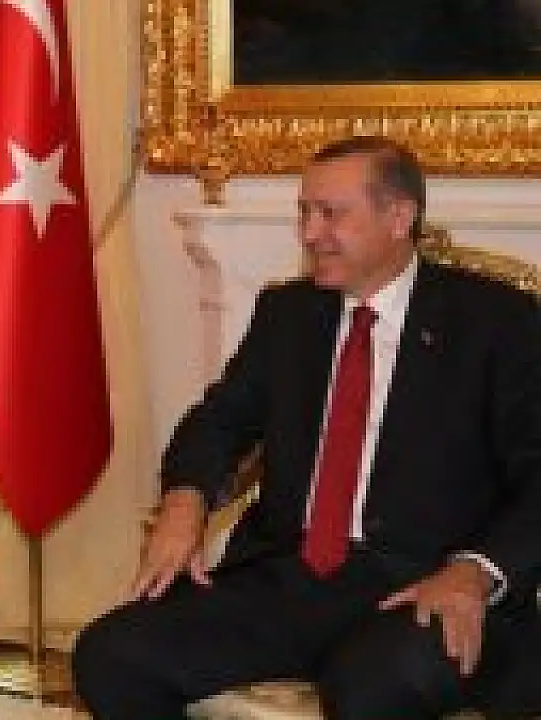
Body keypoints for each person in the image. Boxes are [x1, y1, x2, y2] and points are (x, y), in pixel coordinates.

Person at [72, 136, 541, 719]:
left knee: (370, 687)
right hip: (290, 577)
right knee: (111, 655)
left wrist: (474, 573)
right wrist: (184, 501)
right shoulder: (288, 315)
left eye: (331, 214)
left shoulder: (496, 323)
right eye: (304, 213)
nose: (310, 233)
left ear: (400, 218)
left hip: (423, 584)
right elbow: (218, 420)